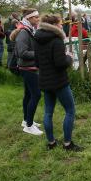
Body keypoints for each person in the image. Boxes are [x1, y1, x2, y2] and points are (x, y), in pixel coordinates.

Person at [34, 15, 83, 151]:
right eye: (60, 24)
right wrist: (69, 57)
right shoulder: (57, 40)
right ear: (54, 25)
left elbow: (37, 62)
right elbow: (60, 64)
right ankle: (67, 144)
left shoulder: (37, 39)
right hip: (59, 82)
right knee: (70, 110)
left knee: (48, 112)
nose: (62, 26)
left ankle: (51, 143)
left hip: (44, 81)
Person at [10, 8, 43, 136]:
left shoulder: (29, 30)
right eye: (36, 17)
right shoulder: (24, 32)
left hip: (29, 67)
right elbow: (22, 53)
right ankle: (29, 126)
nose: (38, 19)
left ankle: (26, 121)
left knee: (29, 95)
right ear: (29, 18)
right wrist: (39, 54)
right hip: (28, 68)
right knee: (36, 95)